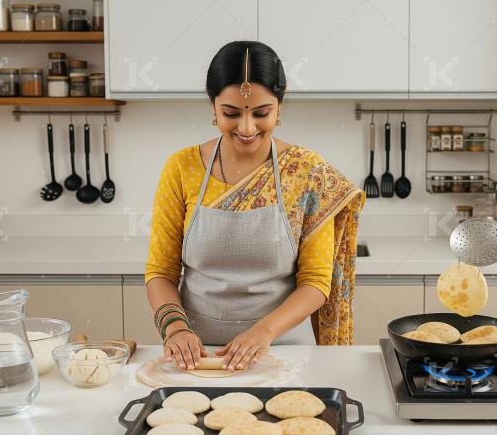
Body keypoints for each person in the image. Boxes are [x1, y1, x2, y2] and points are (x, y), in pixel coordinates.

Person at [145, 41, 365, 372]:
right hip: (198, 355)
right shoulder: (181, 168)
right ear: (212, 106)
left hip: (287, 351)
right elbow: (161, 271)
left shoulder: (306, 172)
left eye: (261, 113)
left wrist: (263, 332)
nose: (247, 128)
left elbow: (316, 281)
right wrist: (175, 328)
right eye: (231, 113)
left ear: (280, 106)